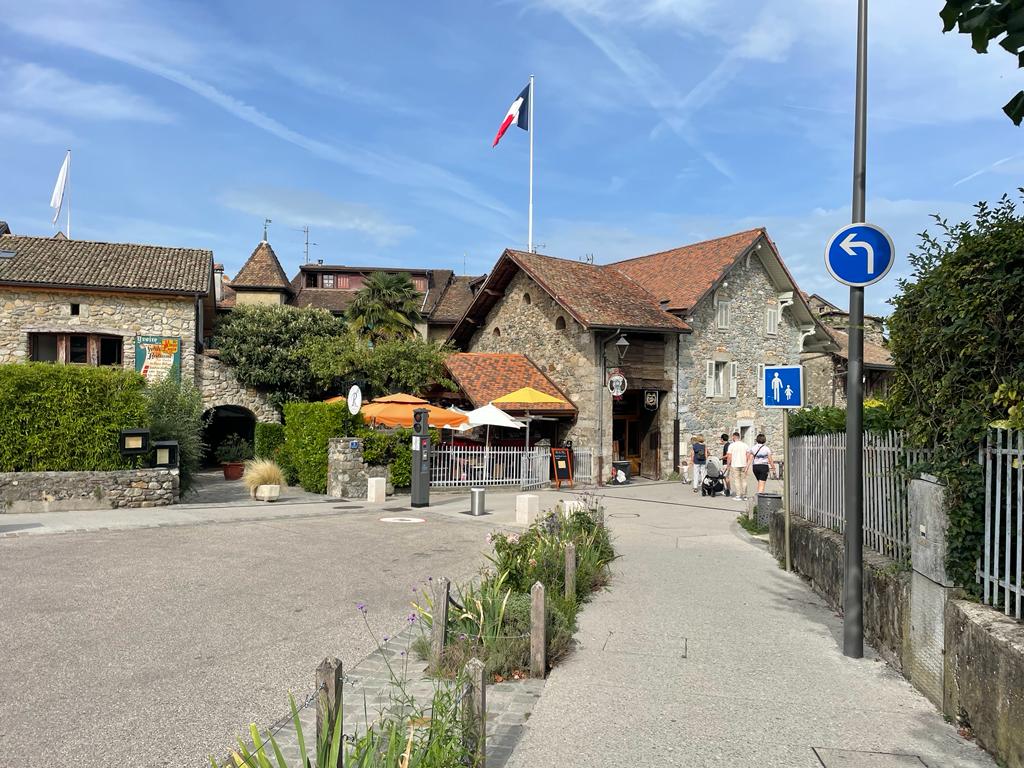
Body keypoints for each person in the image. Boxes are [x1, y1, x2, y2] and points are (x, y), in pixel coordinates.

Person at [726, 431, 750, 501]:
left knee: (737, 480)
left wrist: (728, 465)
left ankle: (738, 495)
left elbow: (729, 456)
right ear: (739, 437)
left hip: (735, 464)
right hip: (743, 464)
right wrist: (746, 463)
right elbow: (748, 455)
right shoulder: (745, 445)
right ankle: (745, 495)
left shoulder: (731, 445)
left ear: (734, 437)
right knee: (744, 480)